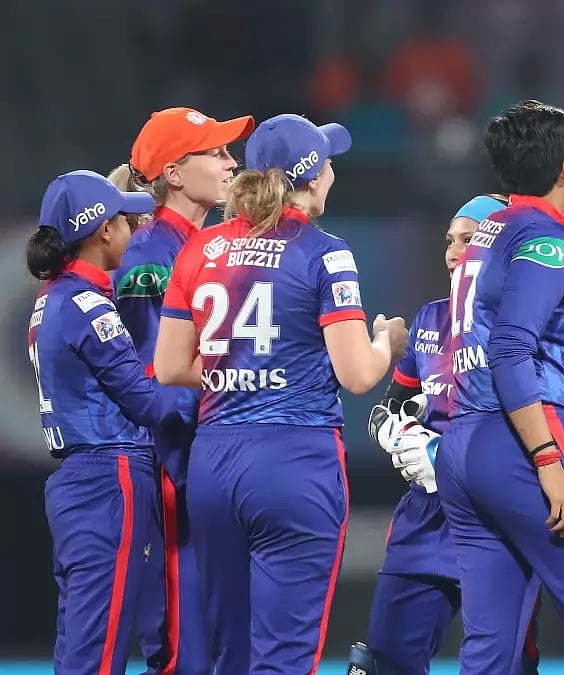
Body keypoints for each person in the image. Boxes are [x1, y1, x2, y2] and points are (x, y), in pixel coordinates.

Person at [153, 113, 409, 672]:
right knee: (285, 657)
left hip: (214, 464)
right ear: (313, 178)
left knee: (230, 653)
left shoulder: (200, 249)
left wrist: (241, 368)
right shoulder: (325, 252)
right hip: (295, 462)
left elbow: (169, 367)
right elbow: (357, 375)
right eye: (329, 162)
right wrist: (387, 343)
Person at [436, 100, 564, 674]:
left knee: (490, 647)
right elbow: (511, 349)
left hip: (464, 442)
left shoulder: (486, 233)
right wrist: (548, 459)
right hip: (524, 436)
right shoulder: (547, 237)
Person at [346, 193, 542, 675]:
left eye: (469, 240)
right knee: (382, 664)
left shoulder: (527, 323)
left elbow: (543, 420)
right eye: (450, 241)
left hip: (497, 510)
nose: (455, 252)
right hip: (426, 515)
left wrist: (447, 454)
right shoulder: (429, 320)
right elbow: (386, 410)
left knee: (505, 666)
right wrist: (402, 436)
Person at [111, 105, 255, 675]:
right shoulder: (150, 255)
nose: (232, 163)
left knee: (223, 641)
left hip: (215, 461)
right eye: (216, 153)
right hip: (179, 465)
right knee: (184, 648)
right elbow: (157, 381)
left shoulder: (211, 245)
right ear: (173, 172)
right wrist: (193, 470)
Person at [28, 170, 182, 674]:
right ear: (103, 231)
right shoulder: (88, 305)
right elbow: (148, 404)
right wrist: (215, 374)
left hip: (80, 478)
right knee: (101, 640)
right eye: (124, 218)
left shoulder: (53, 297)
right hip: (109, 477)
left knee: (82, 636)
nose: (134, 227)